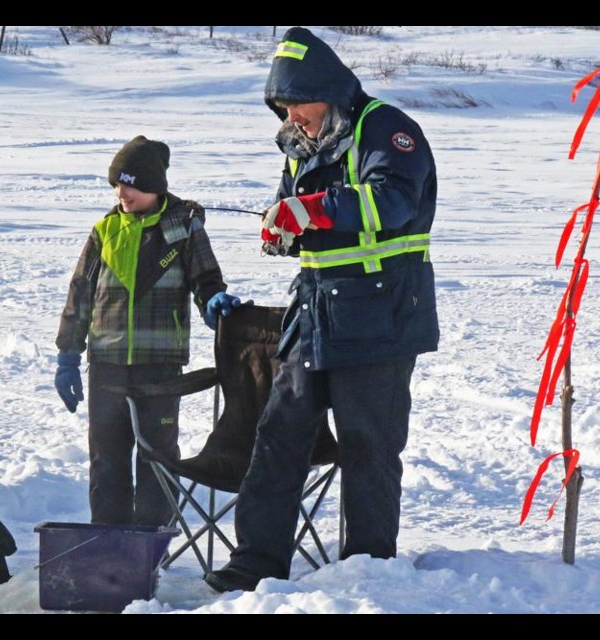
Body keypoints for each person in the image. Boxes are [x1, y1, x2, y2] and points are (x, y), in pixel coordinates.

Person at [205, 27, 440, 593]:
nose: (290, 116)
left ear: (327, 91)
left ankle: (368, 570)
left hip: (380, 320)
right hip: (314, 316)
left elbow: (392, 199)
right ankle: (256, 561)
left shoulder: (386, 128)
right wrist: (283, 229)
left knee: (369, 448)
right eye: (281, 107)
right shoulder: (303, 143)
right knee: (278, 437)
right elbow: (307, 218)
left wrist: (309, 210)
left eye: (296, 104)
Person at [54, 135, 244, 527]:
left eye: (131, 184)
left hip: (159, 365)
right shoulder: (105, 230)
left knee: (157, 457)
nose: (122, 192)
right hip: (106, 363)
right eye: (117, 184)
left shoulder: (183, 229)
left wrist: (213, 303)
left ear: (155, 186)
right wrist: (68, 355)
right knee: (106, 458)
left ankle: (151, 542)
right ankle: (107, 541)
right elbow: (80, 297)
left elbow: (207, 280)